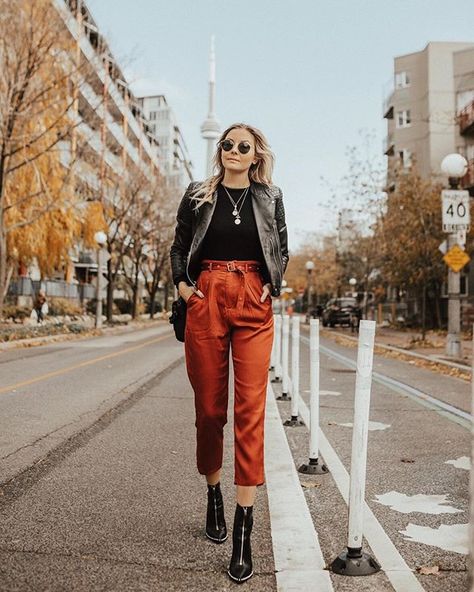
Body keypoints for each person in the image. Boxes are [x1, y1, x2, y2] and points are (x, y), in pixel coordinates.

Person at [170, 123, 289, 583]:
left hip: (253, 299)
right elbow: (180, 246)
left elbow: (281, 247)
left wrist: (271, 287)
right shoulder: (198, 194)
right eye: (227, 145)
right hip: (206, 297)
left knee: (250, 412)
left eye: (243, 146)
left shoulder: (271, 197)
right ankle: (213, 492)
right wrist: (184, 286)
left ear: (256, 154)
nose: (233, 151)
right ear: (219, 150)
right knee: (209, 410)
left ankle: (244, 527)